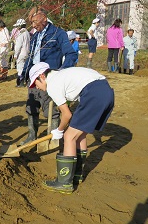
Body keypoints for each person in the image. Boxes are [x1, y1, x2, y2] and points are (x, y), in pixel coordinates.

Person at [28, 62, 114, 193]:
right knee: (80, 135)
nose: (37, 88)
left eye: (36, 83)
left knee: (69, 136)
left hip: (93, 94)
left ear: (42, 76)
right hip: (106, 92)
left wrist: (59, 130)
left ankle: (64, 183)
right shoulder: (60, 75)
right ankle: (76, 175)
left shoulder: (53, 85)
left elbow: (67, 114)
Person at [20, 7, 77, 145]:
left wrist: (61, 72)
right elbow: (31, 56)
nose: (32, 26)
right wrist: (24, 74)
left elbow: (71, 54)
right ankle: (31, 136)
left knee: (50, 111)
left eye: (34, 22)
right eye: (31, 23)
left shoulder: (58, 33)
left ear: (44, 18)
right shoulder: (35, 36)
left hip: (49, 79)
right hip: (34, 79)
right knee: (31, 108)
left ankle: (53, 138)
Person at [11, 19, 30, 87]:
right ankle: (26, 81)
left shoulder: (21, 34)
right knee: (25, 67)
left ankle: (20, 83)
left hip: (21, 53)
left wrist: (16, 54)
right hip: (27, 52)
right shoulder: (27, 32)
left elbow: (18, 45)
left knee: (20, 68)